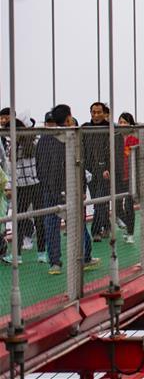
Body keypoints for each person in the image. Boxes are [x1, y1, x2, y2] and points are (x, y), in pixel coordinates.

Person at [38, 104, 99, 275]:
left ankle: (55, 263)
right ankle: (84, 258)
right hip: (70, 189)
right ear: (68, 118)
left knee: (51, 226)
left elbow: (40, 168)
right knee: (78, 225)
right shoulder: (72, 137)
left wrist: (48, 186)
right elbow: (79, 165)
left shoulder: (44, 139)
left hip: (50, 190)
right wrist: (81, 188)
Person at [2, 117, 43, 264]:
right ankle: (17, 255)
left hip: (36, 185)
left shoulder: (33, 142)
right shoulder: (12, 146)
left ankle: (42, 252)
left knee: (39, 218)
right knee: (17, 219)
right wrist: (10, 186)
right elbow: (11, 168)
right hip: (20, 187)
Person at [83, 102, 111, 241]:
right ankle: (107, 226)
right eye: (93, 112)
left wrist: (109, 168)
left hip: (105, 172)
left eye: (99, 112)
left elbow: (114, 151)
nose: (96, 115)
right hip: (90, 172)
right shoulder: (84, 128)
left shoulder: (110, 128)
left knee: (100, 201)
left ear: (104, 113)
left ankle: (95, 231)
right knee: (98, 201)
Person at [114, 113, 139, 243]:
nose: (122, 124)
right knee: (117, 206)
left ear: (130, 124)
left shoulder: (135, 139)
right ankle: (127, 225)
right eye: (120, 122)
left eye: (125, 122)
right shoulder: (114, 138)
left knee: (129, 206)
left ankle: (130, 233)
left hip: (131, 177)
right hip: (118, 177)